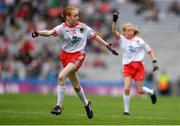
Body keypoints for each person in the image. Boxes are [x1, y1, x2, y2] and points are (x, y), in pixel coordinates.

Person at [32, 6, 118, 119]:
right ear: (67, 17)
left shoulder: (83, 27)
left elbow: (95, 36)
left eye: (78, 15)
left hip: (78, 56)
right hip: (65, 57)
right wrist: (38, 32)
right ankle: (87, 105)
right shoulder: (61, 28)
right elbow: (49, 32)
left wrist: (108, 46)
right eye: (75, 15)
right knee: (76, 87)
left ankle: (58, 106)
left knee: (61, 76)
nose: (78, 17)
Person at [111, 12, 159, 116]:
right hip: (127, 66)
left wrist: (154, 62)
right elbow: (114, 31)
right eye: (128, 30)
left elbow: (150, 51)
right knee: (127, 88)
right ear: (124, 31)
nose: (131, 32)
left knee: (140, 91)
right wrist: (114, 20)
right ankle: (126, 111)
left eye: (132, 30)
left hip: (139, 66)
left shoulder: (139, 41)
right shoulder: (122, 39)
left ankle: (151, 92)